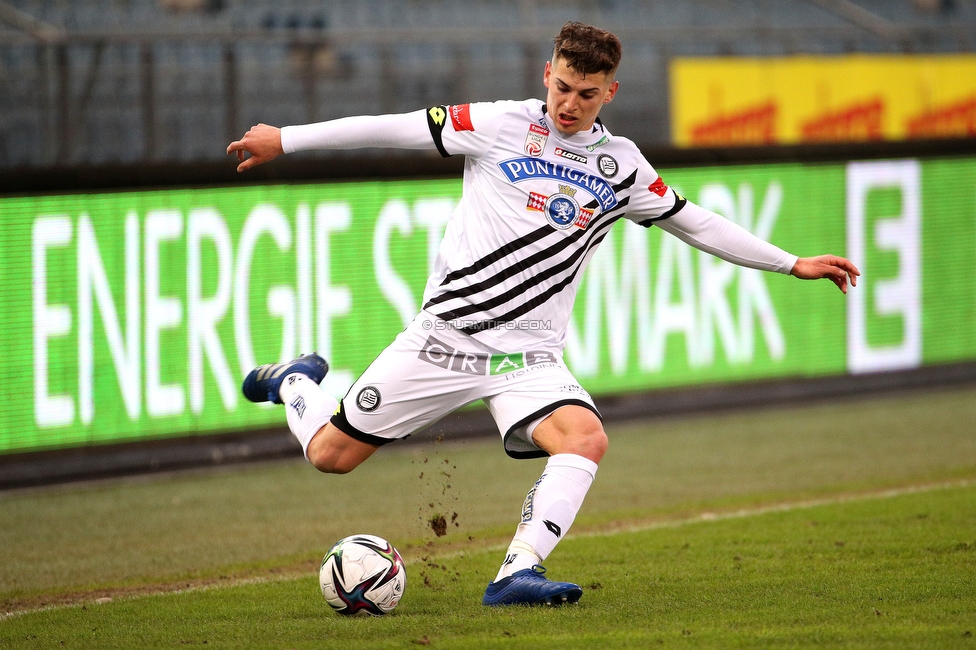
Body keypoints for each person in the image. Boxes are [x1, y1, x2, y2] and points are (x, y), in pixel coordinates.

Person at [227, 21, 859, 607]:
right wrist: (287, 139)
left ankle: (516, 572)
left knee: (585, 437)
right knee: (330, 456)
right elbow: (396, 126)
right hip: (444, 340)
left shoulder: (622, 166)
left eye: (586, 94)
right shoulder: (497, 123)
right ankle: (296, 382)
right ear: (545, 74)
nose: (569, 104)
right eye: (561, 86)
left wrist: (790, 262)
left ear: (610, 91)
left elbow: (694, 222)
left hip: (528, 358)